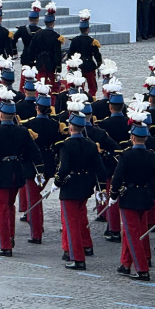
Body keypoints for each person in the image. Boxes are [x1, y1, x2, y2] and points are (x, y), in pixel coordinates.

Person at [109, 105, 155, 281]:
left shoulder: (126, 155)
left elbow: (117, 177)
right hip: (146, 197)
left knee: (133, 233)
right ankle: (125, 263)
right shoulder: (153, 156)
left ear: (132, 137)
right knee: (135, 231)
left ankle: (142, 269)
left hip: (129, 197)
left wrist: (113, 195)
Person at [0, 89, 42, 256]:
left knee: (1, 208)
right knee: (10, 206)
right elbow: (34, 152)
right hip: (18, 171)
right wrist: (40, 169)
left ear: (1, 115)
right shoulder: (23, 131)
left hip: (1, 172)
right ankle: (10, 236)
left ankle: (5, 245)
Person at [52, 113, 108, 270]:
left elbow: (63, 168)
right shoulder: (91, 145)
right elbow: (101, 170)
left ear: (70, 128)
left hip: (70, 187)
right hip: (85, 186)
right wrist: (100, 187)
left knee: (71, 224)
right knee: (81, 217)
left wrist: (56, 182)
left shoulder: (65, 145)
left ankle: (77, 257)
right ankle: (85, 246)